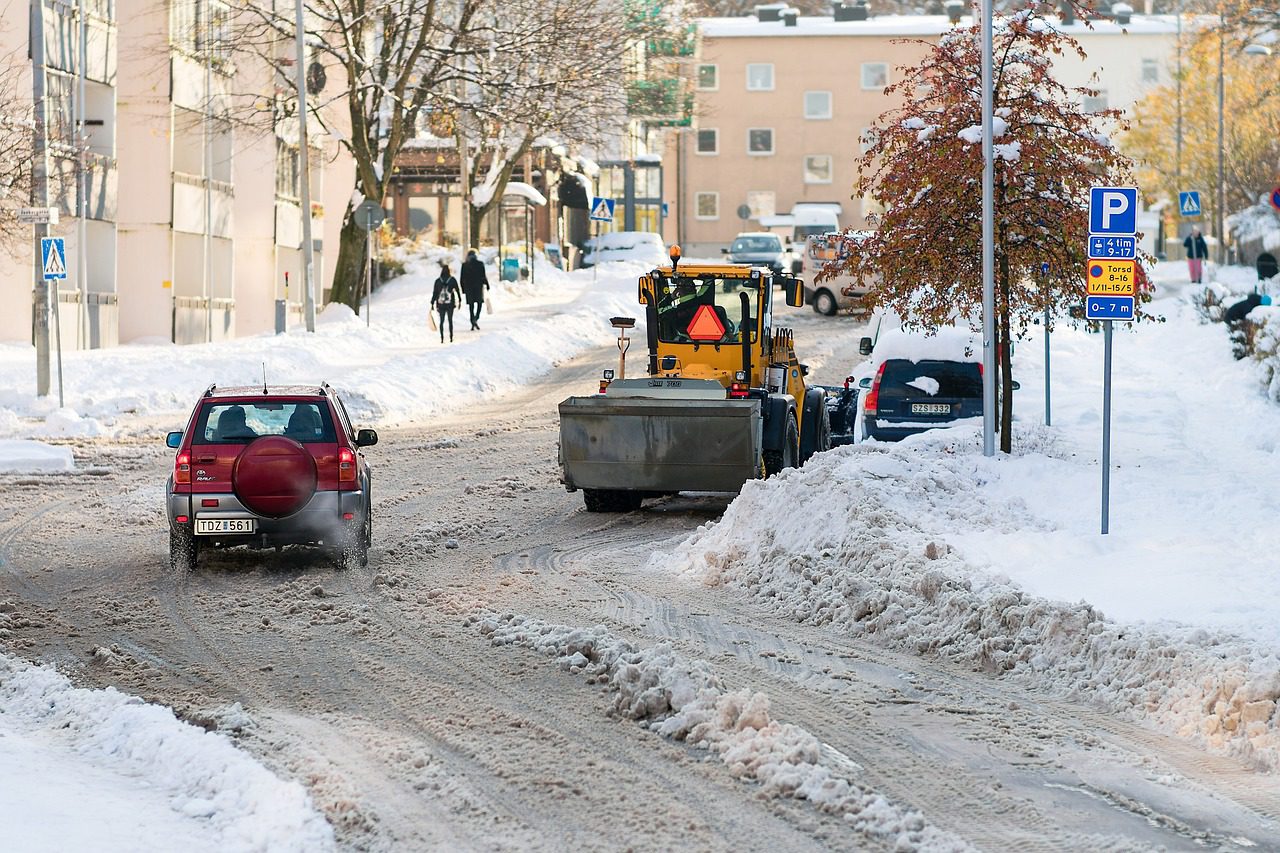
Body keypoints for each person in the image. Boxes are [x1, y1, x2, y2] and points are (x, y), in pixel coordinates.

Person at [432, 262, 462, 343]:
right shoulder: (452, 280)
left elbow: (435, 293)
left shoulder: (438, 281)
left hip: (440, 304)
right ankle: (451, 337)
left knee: (441, 321)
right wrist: (460, 300)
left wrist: (432, 303)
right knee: (450, 320)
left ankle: (442, 338)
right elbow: (458, 290)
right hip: (450, 303)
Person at [460, 249, 489, 331]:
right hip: (478, 287)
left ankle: (472, 320)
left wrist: (463, 289)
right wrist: (487, 285)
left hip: (469, 288)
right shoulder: (480, 264)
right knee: (479, 303)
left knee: (471, 305)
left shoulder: (465, 265)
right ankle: (476, 318)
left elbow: (462, 278)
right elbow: (483, 276)